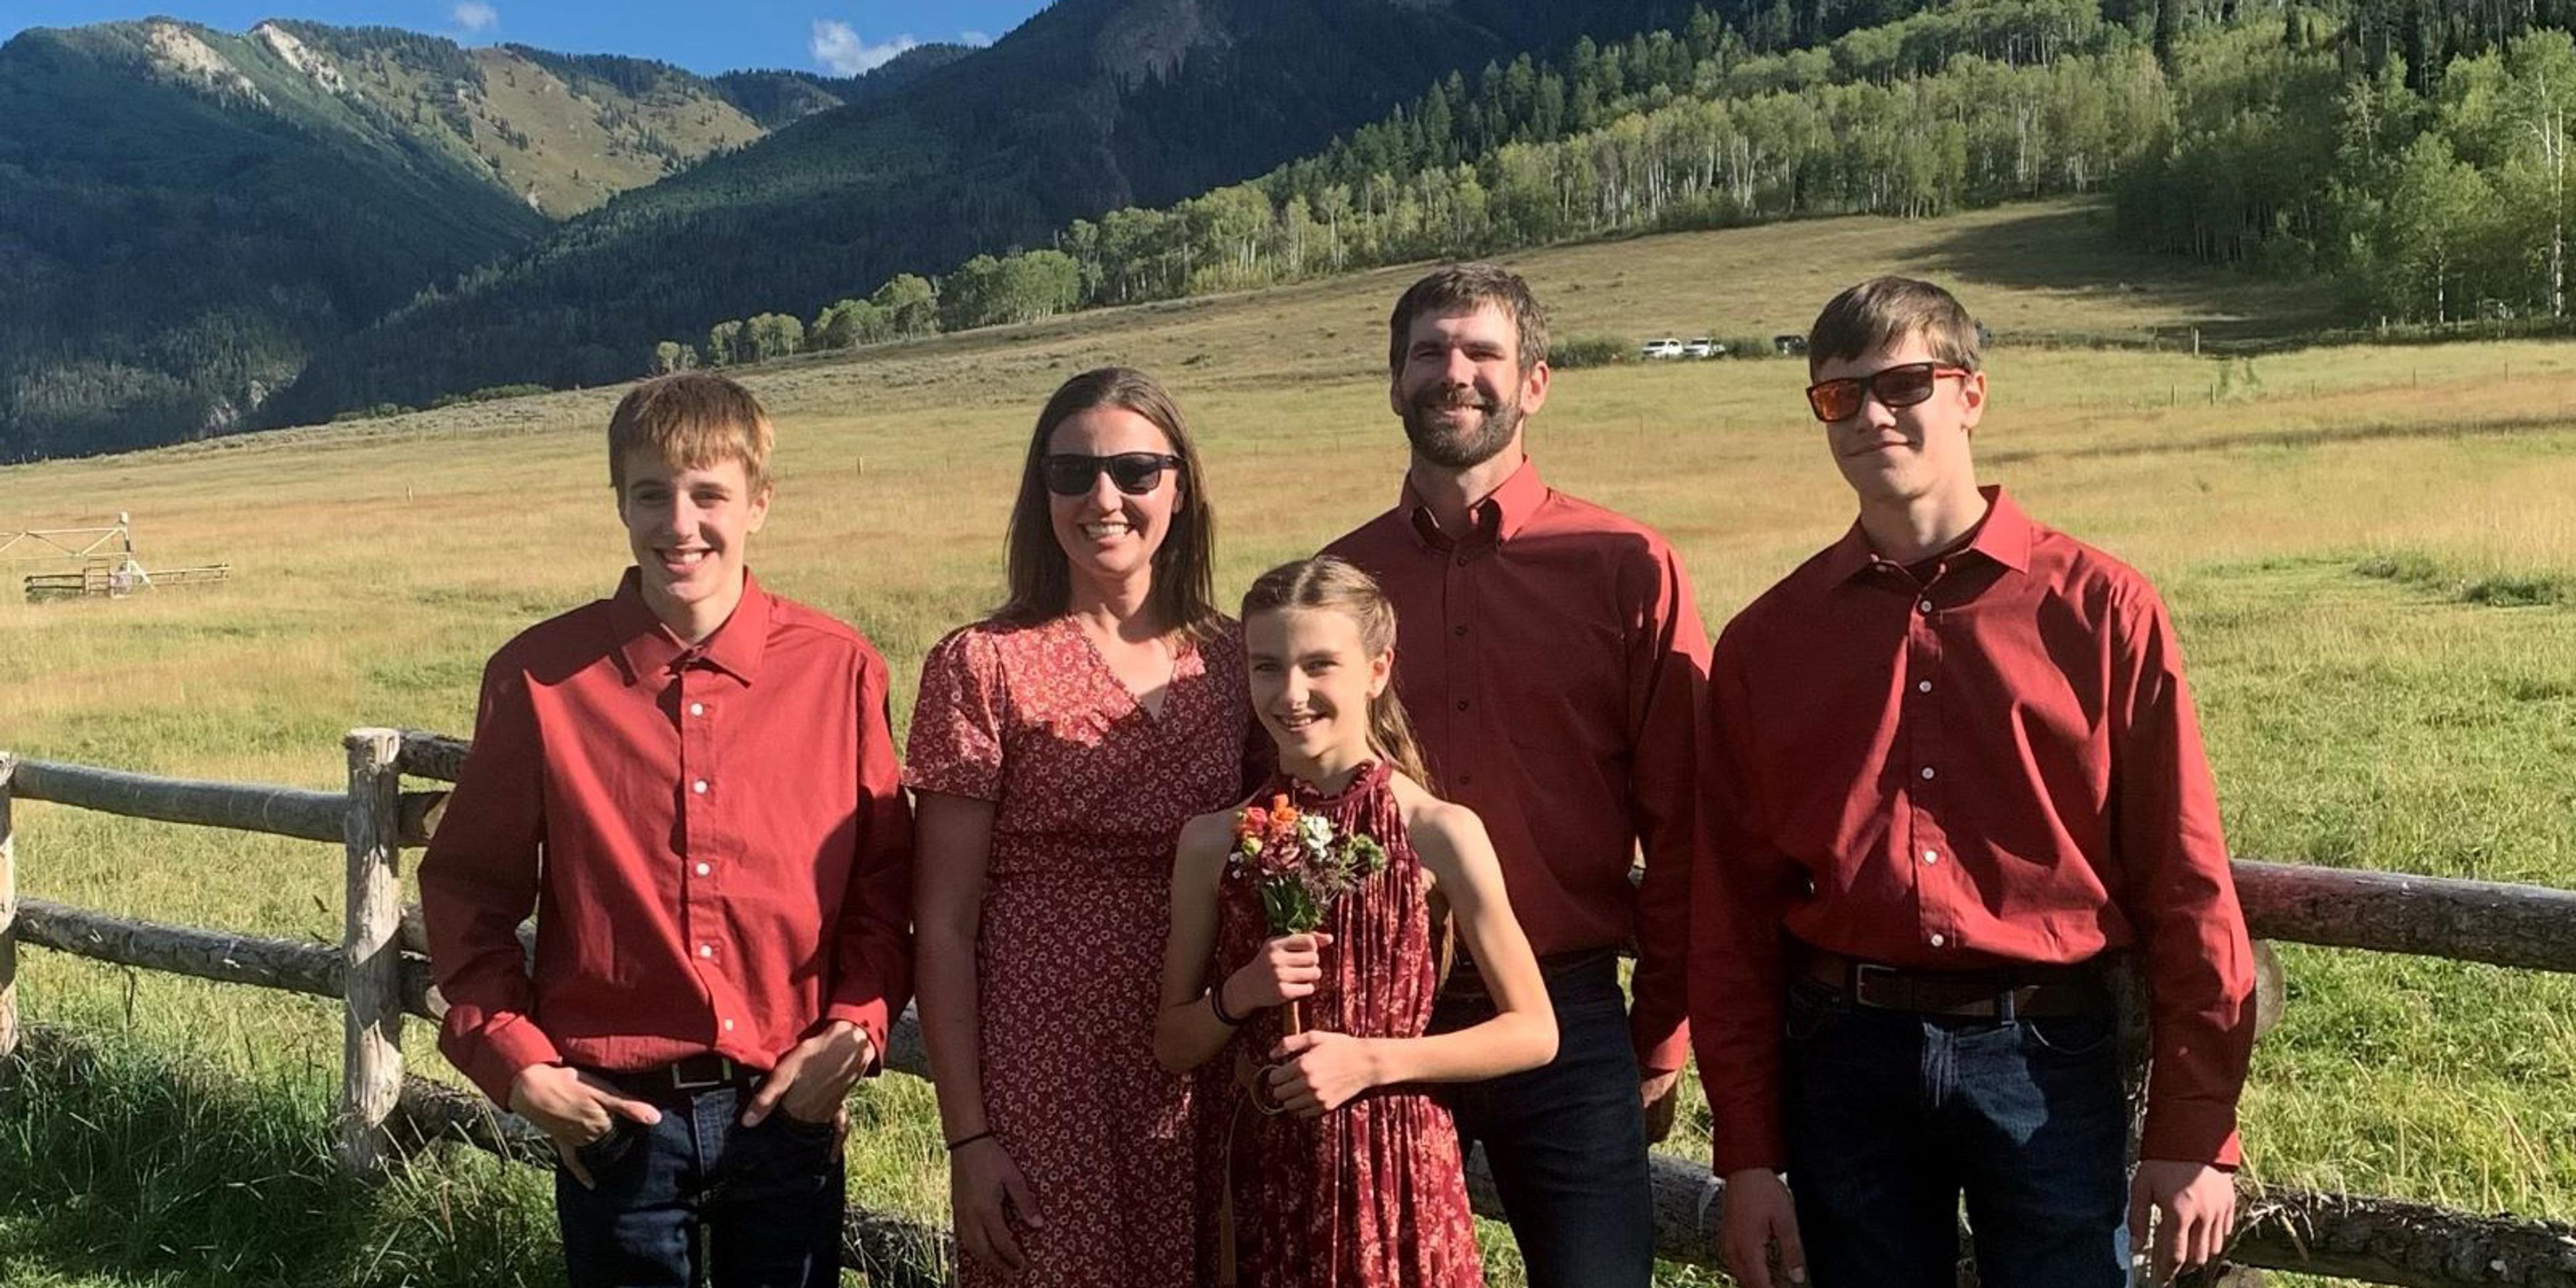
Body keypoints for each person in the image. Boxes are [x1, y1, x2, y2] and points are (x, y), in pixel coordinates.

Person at [1693, 276, 2257, 1288]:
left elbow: (2186, 875)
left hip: (2046, 1050)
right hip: (1842, 1053)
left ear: (1972, 395)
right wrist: (1746, 1151)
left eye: (1904, 383)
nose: (1871, 413)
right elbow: (1731, 910)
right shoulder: (1766, 643)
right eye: (1839, 395)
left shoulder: (2102, 610)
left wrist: (2197, 1126)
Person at [421, 371, 914, 1287]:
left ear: (760, 503)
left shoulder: (840, 673)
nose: (680, 524)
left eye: (708, 494)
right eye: (652, 494)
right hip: (617, 1122)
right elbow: (469, 893)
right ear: (621, 504)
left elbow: (884, 889)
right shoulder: (539, 679)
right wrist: (515, 1062)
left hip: (787, 1108)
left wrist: (856, 1029)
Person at [1323, 262, 1708, 1286]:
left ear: (1535, 382)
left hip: (1567, 1012)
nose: (1456, 374)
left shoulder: (1625, 566)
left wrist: (1659, 1036)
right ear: (1394, 381)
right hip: (1378, 1011)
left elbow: (1688, 826)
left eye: (1483, 352)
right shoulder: (1341, 586)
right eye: (1429, 353)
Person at [908, 366, 1259, 1287]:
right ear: (1043, 493)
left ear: (1180, 490)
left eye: (1136, 471)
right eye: (1072, 474)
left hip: (1205, 1049)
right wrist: (969, 1137)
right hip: (1043, 1060)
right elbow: (942, 923)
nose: (1104, 497)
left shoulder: (1233, 662)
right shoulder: (982, 664)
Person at [1155, 555, 1558, 1288]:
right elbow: (1174, 1043)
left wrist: (1371, 1061)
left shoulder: (1436, 830)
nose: (1291, 694)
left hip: (1396, 1166)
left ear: (1377, 670)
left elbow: (1534, 1030)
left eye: (1320, 666)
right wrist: (1238, 995)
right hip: (1263, 1168)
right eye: (1267, 667)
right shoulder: (1212, 841)